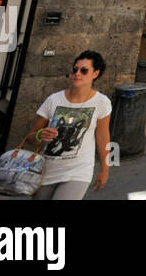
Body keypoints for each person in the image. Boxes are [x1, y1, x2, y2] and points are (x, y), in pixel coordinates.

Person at [21, 50, 112, 199]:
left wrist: (105, 170)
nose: (77, 74)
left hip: (79, 171)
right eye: (75, 70)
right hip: (46, 170)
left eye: (84, 71)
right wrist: (40, 135)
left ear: (95, 74)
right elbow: (31, 137)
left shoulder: (102, 102)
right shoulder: (53, 100)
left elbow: (103, 137)